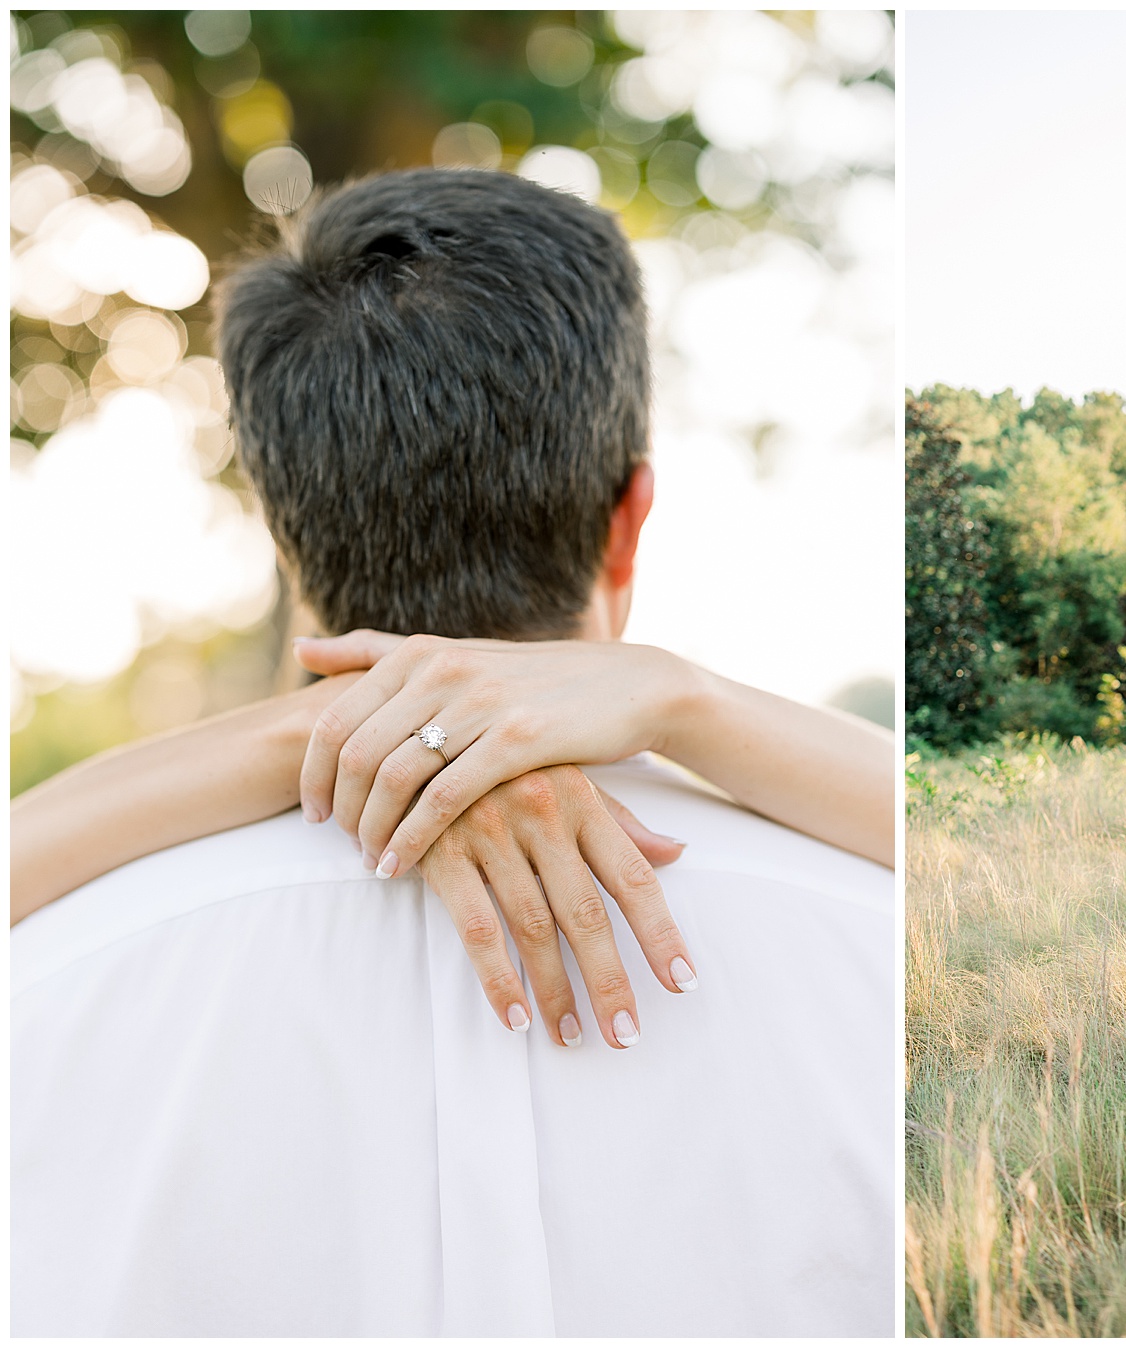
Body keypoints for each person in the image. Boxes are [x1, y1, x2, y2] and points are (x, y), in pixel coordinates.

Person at [11, 168, 894, 1336]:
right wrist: (686, 700)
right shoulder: (886, 945)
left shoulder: (51, 982)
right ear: (630, 518)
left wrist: (323, 722)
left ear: (285, 537)